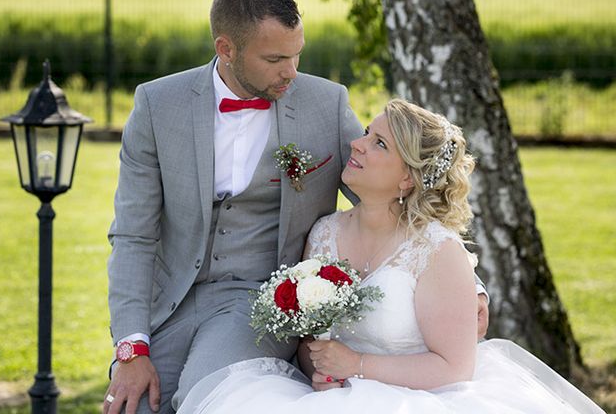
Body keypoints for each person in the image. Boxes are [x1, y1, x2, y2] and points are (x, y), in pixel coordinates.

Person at [104, 0, 489, 414]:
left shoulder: (324, 104)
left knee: (204, 394)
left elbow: (396, 183)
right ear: (226, 49)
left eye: (296, 54)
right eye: (275, 59)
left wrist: (467, 285)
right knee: (134, 404)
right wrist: (132, 348)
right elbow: (133, 235)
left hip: (258, 300)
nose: (291, 71)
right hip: (169, 299)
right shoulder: (158, 105)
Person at [176, 99, 605, 414]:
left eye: (378, 143)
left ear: (407, 178)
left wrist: (357, 366)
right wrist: (318, 367)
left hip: (422, 400)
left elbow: (455, 367)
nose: (357, 145)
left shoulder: (436, 251)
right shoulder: (325, 233)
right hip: (327, 397)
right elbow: (310, 341)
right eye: (366, 132)